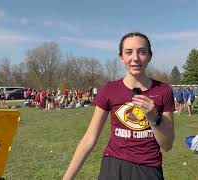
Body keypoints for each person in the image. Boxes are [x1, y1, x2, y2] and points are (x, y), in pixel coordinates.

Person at [63, 32, 175, 180]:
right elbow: (89, 138)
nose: (135, 58)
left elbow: (167, 145)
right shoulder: (110, 89)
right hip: (113, 166)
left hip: (148, 168)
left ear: (149, 56)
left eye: (141, 52)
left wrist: (153, 117)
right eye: (128, 52)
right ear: (121, 58)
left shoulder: (163, 90)